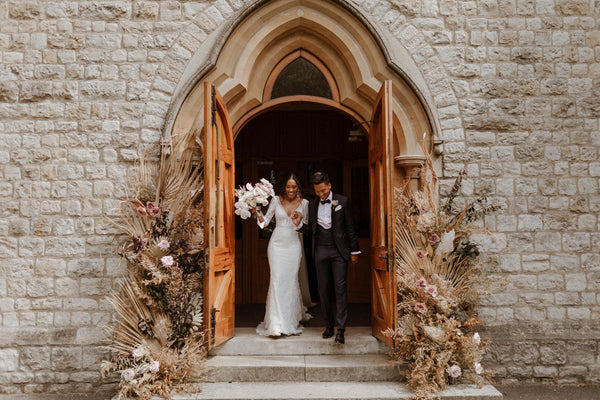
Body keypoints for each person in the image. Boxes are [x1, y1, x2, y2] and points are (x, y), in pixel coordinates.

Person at [292, 172, 360, 345]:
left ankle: (341, 329)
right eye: (317, 192)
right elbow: (310, 231)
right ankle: (329, 326)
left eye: (323, 190)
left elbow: (350, 228)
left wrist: (354, 252)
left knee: (340, 289)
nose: (321, 194)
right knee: (323, 290)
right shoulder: (313, 206)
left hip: (339, 252)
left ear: (329, 186)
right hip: (321, 251)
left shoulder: (342, 202)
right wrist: (299, 223)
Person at [254, 173, 312, 336]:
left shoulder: (305, 203)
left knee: (290, 281)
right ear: (284, 187)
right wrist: (257, 210)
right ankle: (276, 323)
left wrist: (299, 220)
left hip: (293, 245)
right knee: (277, 280)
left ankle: (289, 320)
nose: (291, 190)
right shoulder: (275, 200)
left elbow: (305, 227)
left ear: (298, 187)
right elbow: (264, 223)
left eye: (294, 187)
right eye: (288, 186)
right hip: (276, 245)